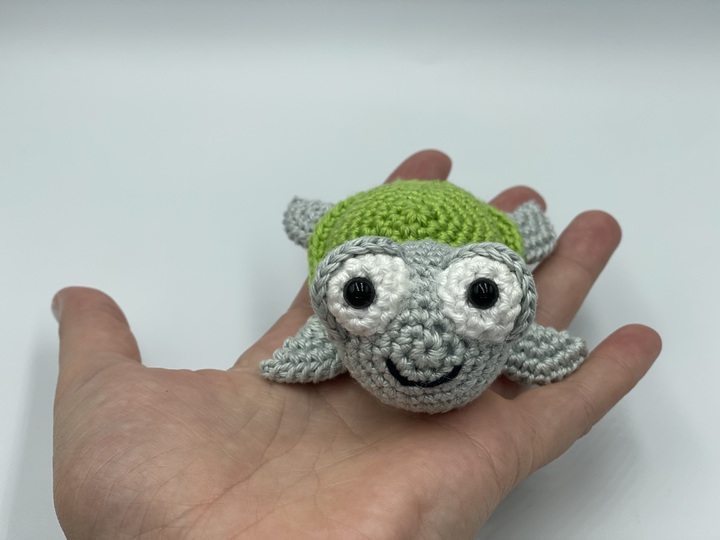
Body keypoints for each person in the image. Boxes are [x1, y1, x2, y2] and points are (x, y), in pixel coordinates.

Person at [51, 150, 661, 539]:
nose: (425, 353)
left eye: (484, 297)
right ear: (334, 321)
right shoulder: (328, 337)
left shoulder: (511, 330)